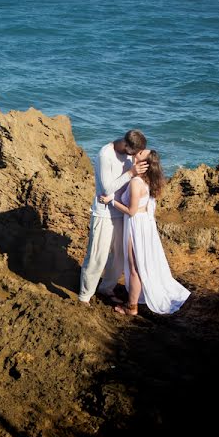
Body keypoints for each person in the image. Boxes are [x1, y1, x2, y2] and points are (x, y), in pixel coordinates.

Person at [100, 150, 190, 315]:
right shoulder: (150, 180)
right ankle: (137, 297)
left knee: (134, 266)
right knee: (140, 263)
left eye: (141, 152)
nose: (138, 151)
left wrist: (111, 201)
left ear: (145, 163)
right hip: (146, 225)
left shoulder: (136, 182)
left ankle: (131, 307)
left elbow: (131, 211)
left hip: (136, 225)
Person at [78, 130, 148, 305]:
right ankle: (84, 296)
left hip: (122, 212)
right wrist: (130, 173)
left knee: (119, 255)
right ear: (125, 145)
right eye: (134, 153)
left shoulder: (130, 155)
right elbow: (107, 189)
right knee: (97, 256)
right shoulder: (105, 155)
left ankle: (106, 288)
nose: (135, 157)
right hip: (104, 213)